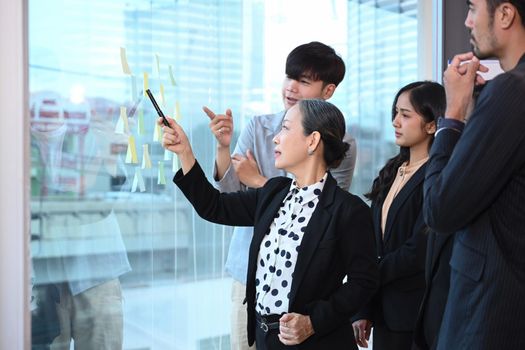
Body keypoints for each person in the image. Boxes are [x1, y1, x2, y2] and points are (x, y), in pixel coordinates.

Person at [160, 99, 378, 349]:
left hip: (316, 342)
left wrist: (312, 322)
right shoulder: (274, 192)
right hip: (265, 339)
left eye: (285, 128)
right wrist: (184, 151)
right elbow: (214, 206)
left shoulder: (348, 210)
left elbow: (364, 282)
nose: (275, 138)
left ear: (312, 140)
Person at [202, 41, 356, 350]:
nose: (291, 88)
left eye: (304, 81)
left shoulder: (341, 143)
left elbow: (323, 208)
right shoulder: (259, 127)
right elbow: (230, 197)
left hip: (308, 283)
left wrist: (258, 180)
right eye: (290, 77)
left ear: (328, 91)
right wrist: (222, 147)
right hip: (250, 273)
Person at [422, 0, 525, 348]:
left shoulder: (511, 90)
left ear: (506, 14)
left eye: (473, 8)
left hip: (489, 315)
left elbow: (439, 208)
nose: (466, 21)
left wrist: (451, 115)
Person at [351, 81, 445, 349]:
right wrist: (364, 308)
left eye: (405, 115)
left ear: (431, 125)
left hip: (417, 313)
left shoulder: (437, 175)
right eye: (395, 113)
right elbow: (372, 242)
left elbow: (418, 250)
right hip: (384, 312)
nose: (395, 121)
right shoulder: (394, 170)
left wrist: (366, 277)